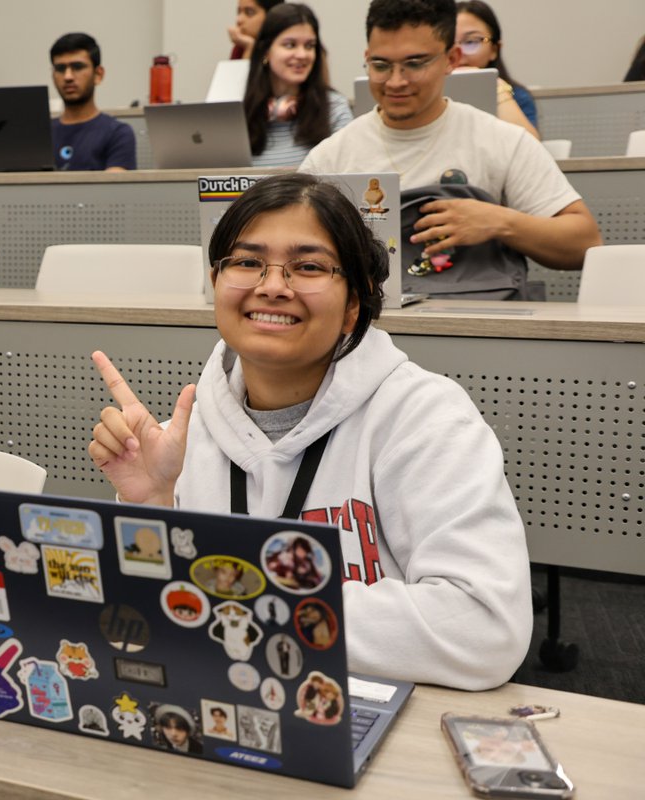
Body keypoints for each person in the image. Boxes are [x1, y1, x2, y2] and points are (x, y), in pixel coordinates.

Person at [88, 172, 532, 690]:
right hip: (218, 703)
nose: (272, 286)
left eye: (309, 267)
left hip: (370, 715)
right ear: (216, 284)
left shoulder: (426, 418)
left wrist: (244, 605)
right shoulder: (179, 440)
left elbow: (485, 628)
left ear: (355, 303)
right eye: (248, 262)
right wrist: (151, 503)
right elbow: (147, 618)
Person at [301, 0, 600, 295]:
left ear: (452, 59)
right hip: (369, 326)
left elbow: (585, 243)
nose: (395, 81)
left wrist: (500, 222)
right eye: (380, 65)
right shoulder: (331, 156)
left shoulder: (501, 141)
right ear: (367, 57)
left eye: (415, 64)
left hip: (482, 324)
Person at [244, 3, 352, 167]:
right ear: (266, 51)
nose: (302, 55)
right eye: (290, 45)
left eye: (309, 46)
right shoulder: (241, 113)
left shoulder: (335, 109)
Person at [49, 33, 135, 171]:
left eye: (77, 67)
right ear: (53, 75)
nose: (68, 76)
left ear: (98, 75)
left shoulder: (117, 133)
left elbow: (113, 190)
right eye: (60, 69)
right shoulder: (41, 136)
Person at [455, 1, 539, 139]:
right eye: (449, 43)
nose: (458, 52)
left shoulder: (517, 96)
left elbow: (530, 152)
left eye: (470, 42)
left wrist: (495, 88)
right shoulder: (425, 95)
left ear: (494, 49)